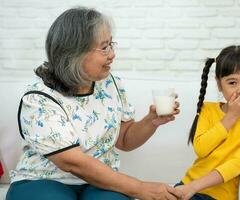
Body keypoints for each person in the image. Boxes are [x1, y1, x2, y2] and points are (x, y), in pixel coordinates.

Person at [6, 7, 181, 200]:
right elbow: (73, 162)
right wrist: (139, 187)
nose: (112, 54)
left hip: (101, 182)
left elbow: (124, 140)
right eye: (104, 47)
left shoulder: (110, 83)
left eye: (111, 44)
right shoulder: (39, 97)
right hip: (42, 181)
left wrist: (151, 121)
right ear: (74, 53)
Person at [174, 45, 240, 200]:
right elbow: (201, 149)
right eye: (232, 83)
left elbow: (236, 164)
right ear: (219, 85)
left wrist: (194, 187)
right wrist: (231, 116)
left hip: (218, 196)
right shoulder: (207, 109)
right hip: (187, 185)